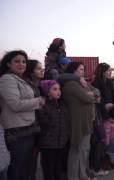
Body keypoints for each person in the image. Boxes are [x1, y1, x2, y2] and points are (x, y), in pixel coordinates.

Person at [0, 50, 45, 180]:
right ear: (8, 64)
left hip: (26, 129)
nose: (21, 64)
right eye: (17, 61)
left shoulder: (20, 79)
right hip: (17, 132)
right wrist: (38, 101)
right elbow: (15, 104)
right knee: (17, 168)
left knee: (25, 167)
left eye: (24, 61)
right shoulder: (7, 79)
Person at [58, 61, 97, 180]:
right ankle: (73, 177)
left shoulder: (82, 82)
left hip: (86, 121)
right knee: (76, 150)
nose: (83, 71)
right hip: (77, 122)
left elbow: (96, 91)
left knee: (85, 150)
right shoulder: (71, 84)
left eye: (83, 69)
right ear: (73, 70)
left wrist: (92, 93)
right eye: (80, 69)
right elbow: (88, 98)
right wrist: (92, 95)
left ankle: (83, 174)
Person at [38, 80, 70, 180]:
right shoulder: (44, 105)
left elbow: (66, 122)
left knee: (59, 168)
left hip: (61, 143)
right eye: (55, 89)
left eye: (59, 89)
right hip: (48, 144)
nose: (58, 91)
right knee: (49, 169)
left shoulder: (62, 104)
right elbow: (44, 123)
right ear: (47, 92)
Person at [23, 59, 44, 180]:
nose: (42, 70)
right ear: (31, 71)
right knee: (26, 160)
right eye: (38, 68)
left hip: (36, 127)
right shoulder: (28, 86)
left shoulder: (38, 85)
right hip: (28, 127)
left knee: (33, 158)